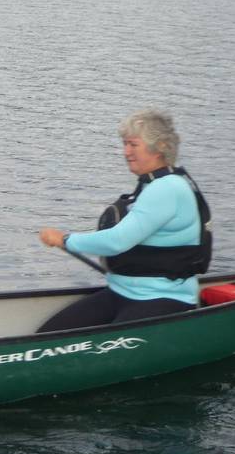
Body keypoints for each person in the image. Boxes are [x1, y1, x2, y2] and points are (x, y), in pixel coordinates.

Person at [36, 109, 211, 332]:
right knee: (47, 334)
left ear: (159, 148)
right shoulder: (151, 185)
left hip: (162, 299)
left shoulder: (168, 188)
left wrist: (66, 240)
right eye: (124, 144)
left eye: (133, 144)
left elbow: (116, 241)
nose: (126, 152)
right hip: (121, 292)